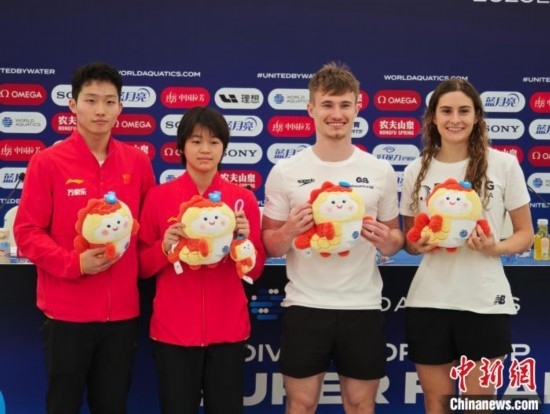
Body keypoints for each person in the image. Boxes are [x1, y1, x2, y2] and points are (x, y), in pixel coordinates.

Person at [13, 62, 156, 413]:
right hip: (66, 315)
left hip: (121, 316)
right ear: (73, 105)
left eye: (109, 101)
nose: (100, 110)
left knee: (112, 405)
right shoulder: (48, 162)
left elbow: (147, 232)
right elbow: (27, 231)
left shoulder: (137, 163)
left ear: (120, 108)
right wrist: (73, 263)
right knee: (63, 405)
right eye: (91, 100)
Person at [261, 62, 404, 414]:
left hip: (362, 307)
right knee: (301, 403)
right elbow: (270, 245)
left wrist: (386, 240)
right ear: (311, 109)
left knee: (360, 404)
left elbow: (396, 239)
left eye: (344, 105)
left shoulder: (380, 171)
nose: (336, 114)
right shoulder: (285, 171)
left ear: (358, 107)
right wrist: (289, 231)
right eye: (327, 104)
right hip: (305, 306)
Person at [400, 79, 534, 413]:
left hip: (484, 301)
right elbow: (410, 239)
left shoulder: (503, 164)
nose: (455, 119)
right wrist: (420, 243)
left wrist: (494, 247)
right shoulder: (416, 169)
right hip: (429, 300)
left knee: (479, 404)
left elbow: (525, 234)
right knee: (437, 402)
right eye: (446, 111)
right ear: (433, 117)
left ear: (476, 117)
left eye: (464, 111)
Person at [137, 106, 266, 414]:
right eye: (196, 141)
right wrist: (165, 247)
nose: (205, 149)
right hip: (173, 332)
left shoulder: (243, 200)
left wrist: (243, 241)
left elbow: (256, 269)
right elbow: (141, 266)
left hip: (228, 330)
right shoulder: (158, 197)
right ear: (182, 147)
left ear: (224, 148)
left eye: (214, 142)